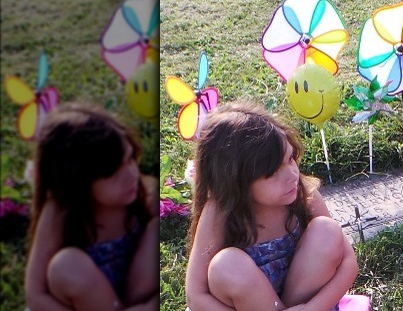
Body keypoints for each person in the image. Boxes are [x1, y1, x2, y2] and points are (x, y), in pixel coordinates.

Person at [184, 100, 359, 311]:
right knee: (226, 265)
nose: (292, 174)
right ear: (237, 181)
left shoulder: (304, 194)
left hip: (306, 304)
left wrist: (310, 308)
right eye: (273, 172)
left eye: (290, 159)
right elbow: (196, 296)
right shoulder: (220, 212)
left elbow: (349, 262)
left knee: (328, 231)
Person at [24, 102, 159, 311]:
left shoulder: (142, 196)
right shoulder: (61, 212)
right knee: (66, 266)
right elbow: (36, 295)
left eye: (131, 158)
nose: (132, 174)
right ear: (79, 181)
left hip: (132, 300)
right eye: (114, 173)